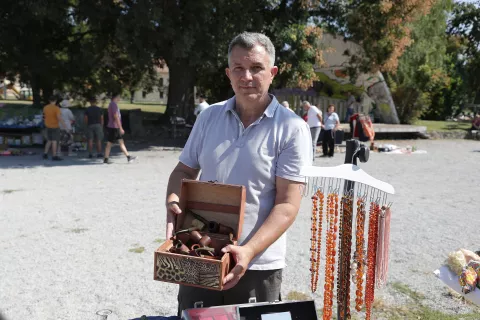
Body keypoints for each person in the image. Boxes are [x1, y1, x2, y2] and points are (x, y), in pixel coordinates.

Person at [165, 31, 312, 315]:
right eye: (238, 69)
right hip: (202, 255)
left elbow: (287, 204)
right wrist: (173, 201)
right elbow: (183, 169)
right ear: (228, 74)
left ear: (273, 72)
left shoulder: (292, 128)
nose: (246, 77)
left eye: (256, 68)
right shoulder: (209, 117)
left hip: (257, 263)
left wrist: (248, 251)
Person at [103, 94, 137, 164]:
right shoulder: (113, 105)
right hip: (114, 127)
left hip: (114, 127)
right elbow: (116, 116)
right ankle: (106, 159)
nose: (119, 98)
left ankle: (128, 157)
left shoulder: (112, 104)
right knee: (110, 143)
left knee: (120, 142)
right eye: (118, 97)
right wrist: (120, 127)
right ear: (115, 97)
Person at [43, 96, 66, 161]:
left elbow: (44, 116)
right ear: (55, 101)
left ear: (49, 100)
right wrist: (64, 125)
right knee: (54, 141)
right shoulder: (56, 108)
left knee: (49, 140)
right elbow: (59, 117)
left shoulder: (45, 107)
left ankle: (45, 154)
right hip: (55, 126)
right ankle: (54, 156)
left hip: (47, 126)